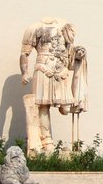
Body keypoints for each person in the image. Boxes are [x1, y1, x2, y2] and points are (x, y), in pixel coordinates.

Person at [19, 18, 87, 153]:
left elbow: (69, 52)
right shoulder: (34, 27)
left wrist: (78, 53)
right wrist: (24, 73)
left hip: (61, 70)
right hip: (44, 69)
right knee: (44, 106)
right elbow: (24, 53)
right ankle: (46, 140)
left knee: (66, 109)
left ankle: (50, 140)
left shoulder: (66, 26)